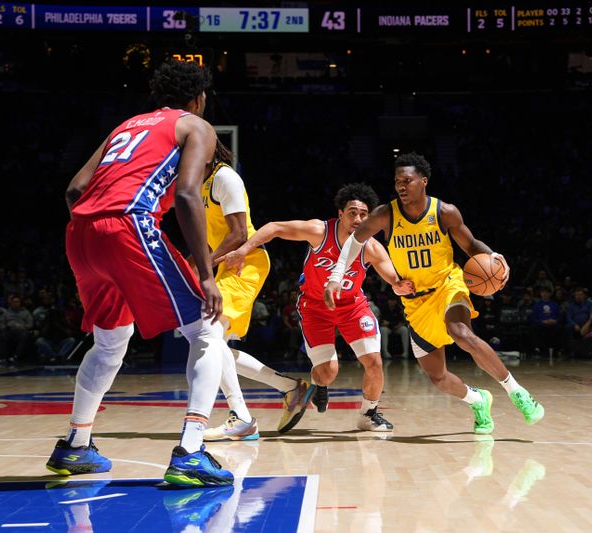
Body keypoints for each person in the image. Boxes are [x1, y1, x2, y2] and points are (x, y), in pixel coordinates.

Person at [46, 60, 234, 487]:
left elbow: (75, 189)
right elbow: (187, 193)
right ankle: (190, 451)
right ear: (199, 98)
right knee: (207, 330)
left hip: (81, 231)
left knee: (110, 342)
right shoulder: (195, 127)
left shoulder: (127, 125)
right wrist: (205, 274)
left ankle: (76, 445)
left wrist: (97, 231)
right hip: (130, 224)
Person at [323, 153, 544, 434]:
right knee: (438, 377)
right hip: (416, 303)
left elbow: (471, 244)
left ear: (423, 181)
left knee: (461, 331)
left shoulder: (444, 212)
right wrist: (336, 277)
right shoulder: (386, 214)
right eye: (397, 181)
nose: (401, 186)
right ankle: (478, 400)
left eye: (407, 180)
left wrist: (496, 257)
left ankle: (518, 393)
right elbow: (355, 240)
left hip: (448, 285)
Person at [221, 183, 413, 431]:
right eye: (352, 212)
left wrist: (399, 286)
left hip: (352, 307)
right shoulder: (320, 231)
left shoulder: (372, 247)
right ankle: (319, 383)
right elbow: (274, 228)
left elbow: (393, 279)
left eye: (364, 214)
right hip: (315, 307)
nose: (358, 218)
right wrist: (244, 249)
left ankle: (368, 414)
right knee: (327, 372)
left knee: (374, 362)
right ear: (340, 214)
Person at [199, 140, 314, 441]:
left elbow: (238, 234)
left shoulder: (225, 178)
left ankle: (242, 417)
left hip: (245, 261)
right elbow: (213, 240)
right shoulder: (200, 185)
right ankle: (290, 388)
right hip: (227, 264)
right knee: (216, 344)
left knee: (209, 335)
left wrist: (201, 266)